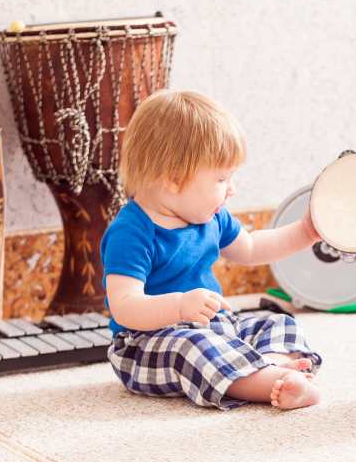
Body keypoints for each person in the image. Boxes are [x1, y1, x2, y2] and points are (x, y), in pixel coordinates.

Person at [102, 90, 321, 411]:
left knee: (277, 322)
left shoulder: (213, 216)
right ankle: (270, 382)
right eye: (221, 178)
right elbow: (124, 306)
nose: (232, 189)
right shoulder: (131, 231)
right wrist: (178, 307)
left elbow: (250, 248)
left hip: (215, 326)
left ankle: (273, 365)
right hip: (147, 343)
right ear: (174, 180)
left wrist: (303, 232)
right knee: (194, 348)